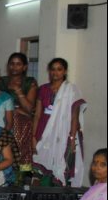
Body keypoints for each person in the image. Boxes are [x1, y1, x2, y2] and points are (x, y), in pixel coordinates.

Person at [32, 58, 87, 186]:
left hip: (63, 132)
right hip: (43, 130)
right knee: (40, 164)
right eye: (53, 69)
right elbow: (37, 115)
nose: (55, 72)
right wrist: (33, 136)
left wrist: (72, 138)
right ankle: (40, 192)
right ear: (49, 71)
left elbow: (74, 117)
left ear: (65, 71)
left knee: (60, 162)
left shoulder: (71, 90)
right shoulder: (43, 89)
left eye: (59, 69)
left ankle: (56, 193)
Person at [0, 52, 38, 182]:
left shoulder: (30, 82)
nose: (14, 67)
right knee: (4, 151)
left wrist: (18, 90)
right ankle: (5, 179)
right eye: (12, 64)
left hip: (22, 125)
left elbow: (29, 108)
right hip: (4, 121)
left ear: (24, 67)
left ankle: (22, 181)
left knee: (22, 152)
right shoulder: (1, 81)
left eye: (18, 64)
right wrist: (16, 109)